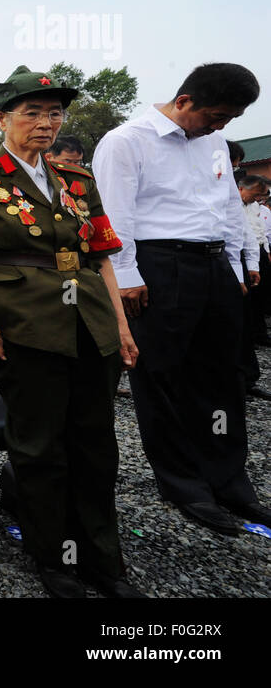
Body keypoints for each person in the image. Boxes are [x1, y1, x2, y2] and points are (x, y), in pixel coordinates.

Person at [0, 65, 142, 598]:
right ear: (2, 118)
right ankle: (54, 558)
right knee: (39, 446)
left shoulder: (78, 181)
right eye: (32, 112)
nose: (46, 123)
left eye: (54, 113)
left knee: (96, 445)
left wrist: (120, 327)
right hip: (24, 322)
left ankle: (104, 560)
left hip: (89, 321)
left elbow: (100, 257)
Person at [96, 62, 271, 536]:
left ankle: (228, 478)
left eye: (231, 119)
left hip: (213, 265)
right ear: (185, 101)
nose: (222, 126)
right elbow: (114, 215)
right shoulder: (126, 141)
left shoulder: (212, 142)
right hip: (158, 266)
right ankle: (182, 481)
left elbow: (229, 205)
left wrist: (234, 265)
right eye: (216, 115)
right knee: (164, 376)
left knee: (223, 376)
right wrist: (128, 275)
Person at [237, 175, 268, 399]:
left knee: (245, 320)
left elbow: (251, 234)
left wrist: (252, 264)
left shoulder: (250, 207)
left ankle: (248, 379)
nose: (258, 198)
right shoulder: (228, 202)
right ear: (241, 188)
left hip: (243, 262)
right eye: (255, 193)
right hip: (226, 262)